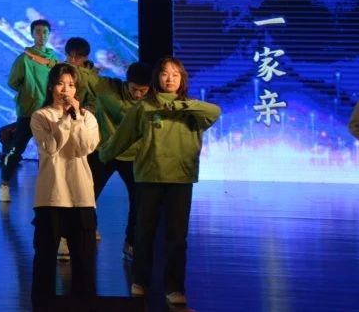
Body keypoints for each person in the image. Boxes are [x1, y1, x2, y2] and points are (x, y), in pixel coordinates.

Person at [99, 56, 220, 307]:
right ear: (157, 78)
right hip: (149, 176)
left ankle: (174, 287)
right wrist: (102, 156)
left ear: (182, 79)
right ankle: (140, 280)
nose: (170, 79)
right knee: (144, 233)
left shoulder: (192, 108)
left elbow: (215, 112)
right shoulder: (144, 107)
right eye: (165, 74)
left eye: (175, 74)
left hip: (180, 178)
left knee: (177, 237)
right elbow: (123, 137)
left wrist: (179, 106)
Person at [30, 63, 100, 310]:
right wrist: (65, 120)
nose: (65, 90)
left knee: (84, 262)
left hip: (81, 196)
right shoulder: (41, 117)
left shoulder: (87, 117)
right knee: (45, 260)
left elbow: (84, 147)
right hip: (51, 196)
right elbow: (50, 148)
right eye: (60, 84)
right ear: (51, 87)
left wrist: (76, 117)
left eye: (71, 85)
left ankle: (84, 305)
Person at [91, 61, 150, 261]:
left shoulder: (152, 101)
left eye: (143, 90)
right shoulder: (107, 88)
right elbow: (84, 77)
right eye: (134, 89)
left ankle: (130, 243)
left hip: (133, 155)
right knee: (87, 195)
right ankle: (88, 230)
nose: (138, 94)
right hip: (104, 151)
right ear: (127, 83)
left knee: (139, 200)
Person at [0, 19, 57, 203]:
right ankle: (4, 184)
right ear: (32, 34)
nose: (42, 35)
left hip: (48, 112)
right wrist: (29, 93)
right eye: (38, 31)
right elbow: (13, 82)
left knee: (47, 151)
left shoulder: (54, 59)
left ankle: (47, 188)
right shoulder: (24, 58)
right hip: (28, 112)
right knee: (17, 149)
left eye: (45, 32)